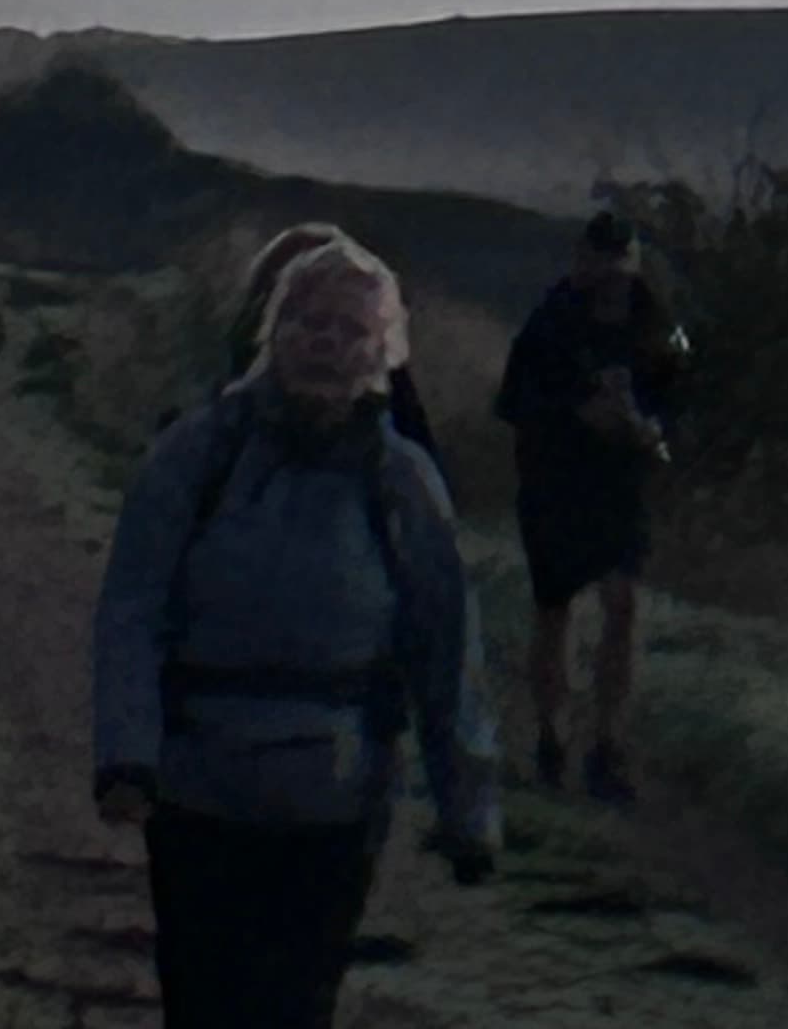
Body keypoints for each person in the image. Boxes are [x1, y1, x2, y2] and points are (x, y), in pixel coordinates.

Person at [94, 235, 501, 1029]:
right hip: (197, 787)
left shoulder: (404, 484)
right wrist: (125, 754)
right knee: (204, 1003)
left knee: (295, 1008)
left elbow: (447, 648)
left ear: (382, 353)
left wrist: (469, 810)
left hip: (335, 802)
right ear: (272, 334)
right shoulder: (195, 455)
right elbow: (131, 608)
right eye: (307, 322)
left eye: (350, 330)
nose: (324, 342)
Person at [493, 208, 688, 806]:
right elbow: (513, 401)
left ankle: (607, 743)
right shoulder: (551, 323)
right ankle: (552, 734)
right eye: (596, 258)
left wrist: (650, 430)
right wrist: (577, 413)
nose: (606, 271)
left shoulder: (660, 326)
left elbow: (684, 399)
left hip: (621, 483)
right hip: (556, 481)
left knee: (622, 605)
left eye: (616, 259)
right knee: (554, 611)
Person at [222, 224, 446, 477]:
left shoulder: (400, 469)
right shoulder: (210, 443)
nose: (327, 340)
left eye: (350, 328)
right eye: (313, 319)